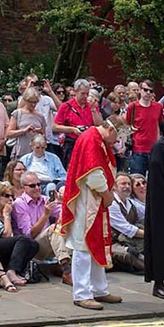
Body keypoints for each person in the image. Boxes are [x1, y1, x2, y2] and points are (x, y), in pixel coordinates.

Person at [60, 111, 123, 310]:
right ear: (111, 129)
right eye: (118, 137)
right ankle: (81, 293)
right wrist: (106, 194)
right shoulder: (91, 139)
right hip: (86, 200)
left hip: (94, 200)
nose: (118, 143)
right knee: (83, 245)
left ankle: (99, 289)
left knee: (96, 243)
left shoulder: (98, 139)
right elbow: (93, 172)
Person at [109, 173, 148, 276]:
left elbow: (148, 214)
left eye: (129, 184)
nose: (127, 186)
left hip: (128, 240)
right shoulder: (112, 204)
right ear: (114, 187)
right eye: (123, 184)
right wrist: (150, 234)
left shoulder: (131, 203)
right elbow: (127, 229)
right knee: (132, 254)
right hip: (111, 243)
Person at [126, 84, 164, 176]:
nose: (148, 93)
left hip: (154, 148)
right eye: (145, 90)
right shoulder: (133, 107)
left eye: (151, 91)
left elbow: (159, 124)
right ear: (140, 90)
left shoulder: (158, 107)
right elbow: (127, 125)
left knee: (155, 178)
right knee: (137, 177)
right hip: (138, 148)